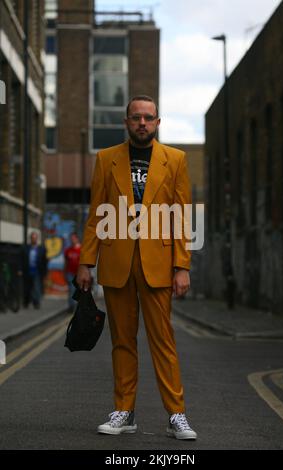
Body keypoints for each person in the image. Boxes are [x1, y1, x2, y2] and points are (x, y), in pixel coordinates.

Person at [76, 95, 197, 440]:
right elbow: (96, 213)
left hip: (159, 265)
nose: (142, 123)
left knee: (164, 342)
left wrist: (182, 266)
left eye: (148, 118)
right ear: (126, 122)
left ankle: (177, 415)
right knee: (122, 343)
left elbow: (181, 216)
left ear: (158, 123)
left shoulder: (176, 160)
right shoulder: (106, 159)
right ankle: (124, 412)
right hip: (117, 264)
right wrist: (87, 261)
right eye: (136, 118)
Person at [23, 231, 48, 309]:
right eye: (32, 238)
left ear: (37, 239)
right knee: (28, 288)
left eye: (35, 238)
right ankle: (26, 302)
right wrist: (20, 270)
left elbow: (44, 261)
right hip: (28, 270)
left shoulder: (41, 249)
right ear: (30, 239)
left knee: (36, 287)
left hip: (37, 271)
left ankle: (36, 302)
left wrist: (45, 272)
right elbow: (22, 259)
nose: (34, 239)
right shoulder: (26, 248)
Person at [64, 232, 81, 312]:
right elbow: (66, 262)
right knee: (71, 290)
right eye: (71, 238)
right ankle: (72, 306)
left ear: (77, 239)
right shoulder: (68, 250)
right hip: (70, 273)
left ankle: (78, 307)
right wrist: (65, 272)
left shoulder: (82, 249)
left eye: (74, 238)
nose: (72, 240)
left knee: (79, 291)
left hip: (79, 274)